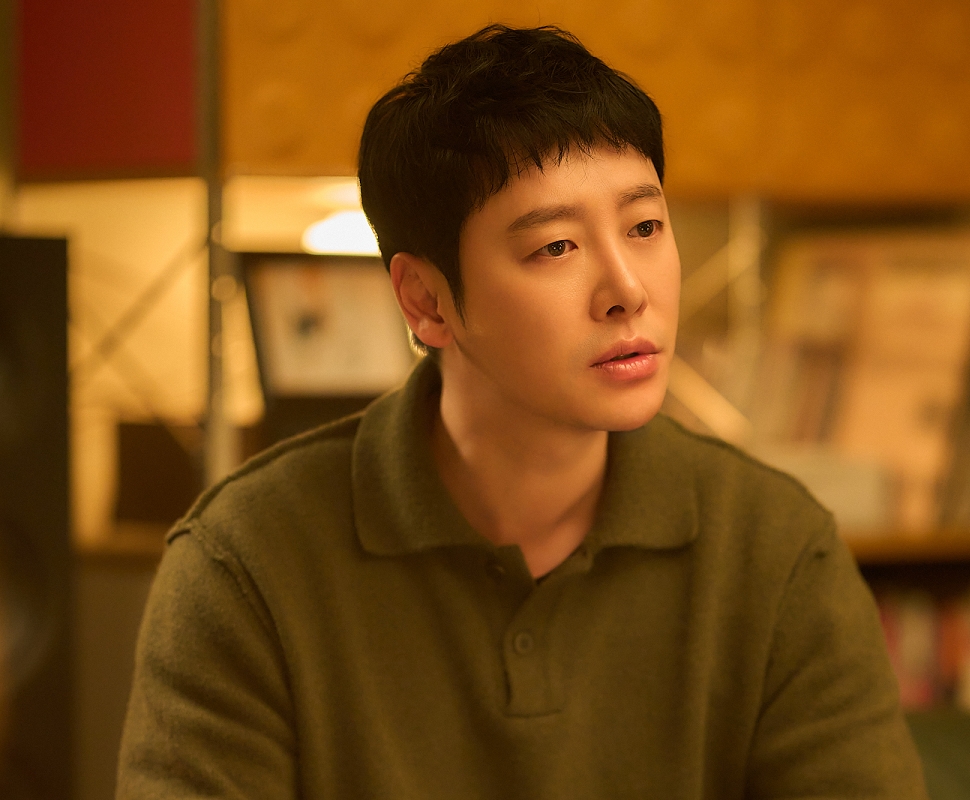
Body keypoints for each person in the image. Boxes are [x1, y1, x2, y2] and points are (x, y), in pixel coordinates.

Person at [117, 24, 927, 799]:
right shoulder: (245, 565)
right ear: (426, 300)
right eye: (555, 247)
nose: (627, 290)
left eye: (645, 226)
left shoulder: (778, 551)